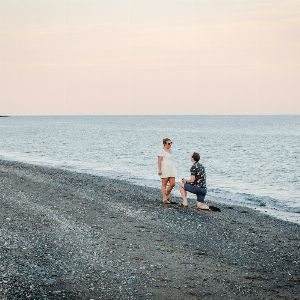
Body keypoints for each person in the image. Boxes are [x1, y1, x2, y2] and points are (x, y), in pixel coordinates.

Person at [157, 138, 177, 204]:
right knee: (164, 184)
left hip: (171, 168)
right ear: (164, 144)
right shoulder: (161, 151)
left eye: (171, 143)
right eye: (169, 143)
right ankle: (164, 198)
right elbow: (159, 161)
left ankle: (166, 196)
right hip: (164, 168)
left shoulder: (171, 150)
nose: (170, 144)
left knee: (172, 184)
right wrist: (159, 170)